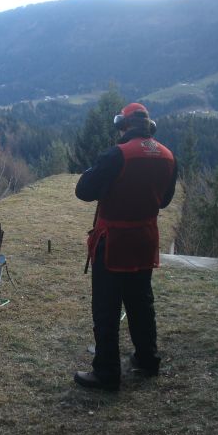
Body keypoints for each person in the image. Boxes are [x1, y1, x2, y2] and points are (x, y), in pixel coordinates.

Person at [74, 103, 177, 391]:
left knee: (106, 308)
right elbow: (164, 201)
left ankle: (106, 372)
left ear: (123, 125)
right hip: (145, 239)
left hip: (113, 242)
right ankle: (147, 359)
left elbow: (84, 191)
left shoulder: (116, 155)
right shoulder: (169, 157)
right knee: (141, 301)